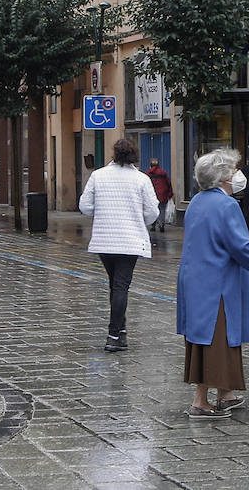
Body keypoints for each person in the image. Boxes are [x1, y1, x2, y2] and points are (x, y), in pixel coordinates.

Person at [177, 148, 249, 419]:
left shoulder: (197, 201)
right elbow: (241, 247)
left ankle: (225, 393)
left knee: (205, 339)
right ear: (222, 177)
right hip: (216, 284)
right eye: (232, 169)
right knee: (215, 340)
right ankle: (200, 402)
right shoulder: (226, 205)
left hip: (197, 280)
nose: (237, 174)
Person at [79, 138, 160, 352]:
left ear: (114, 154)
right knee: (121, 286)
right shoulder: (142, 179)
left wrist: (103, 211)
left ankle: (121, 332)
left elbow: (85, 206)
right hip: (130, 241)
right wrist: (137, 217)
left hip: (104, 241)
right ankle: (113, 335)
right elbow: (153, 212)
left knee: (115, 285)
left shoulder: (98, 176)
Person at [145, 158, 174, 233]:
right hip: (162, 195)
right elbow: (168, 183)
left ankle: (153, 225)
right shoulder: (163, 173)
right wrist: (170, 193)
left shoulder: (148, 174)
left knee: (153, 209)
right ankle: (161, 224)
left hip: (152, 195)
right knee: (162, 209)